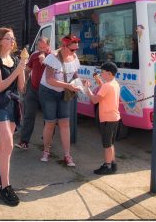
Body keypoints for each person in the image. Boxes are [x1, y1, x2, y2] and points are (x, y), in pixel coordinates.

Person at [0, 27, 26, 206]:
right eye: (8, 38)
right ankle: (5, 187)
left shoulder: (15, 59)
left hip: (13, 103)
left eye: (13, 38)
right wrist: (17, 71)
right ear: (0, 41)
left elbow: (22, 87)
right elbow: (0, 86)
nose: (12, 41)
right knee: (8, 144)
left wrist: (22, 68)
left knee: (3, 142)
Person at [39, 34, 81, 167]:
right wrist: (68, 86)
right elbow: (50, 79)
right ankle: (46, 151)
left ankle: (67, 155)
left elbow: (73, 74)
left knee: (64, 123)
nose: (75, 52)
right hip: (48, 92)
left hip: (63, 92)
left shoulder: (74, 57)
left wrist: (81, 82)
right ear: (64, 46)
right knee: (50, 123)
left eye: (76, 49)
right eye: (73, 49)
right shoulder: (53, 58)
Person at [83, 62, 120, 175]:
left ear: (108, 73)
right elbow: (104, 89)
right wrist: (99, 81)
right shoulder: (114, 83)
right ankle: (112, 163)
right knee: (111, 143)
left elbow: (94, 100)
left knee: (106, 144)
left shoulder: (106, 86)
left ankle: (108, 166)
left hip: (107, 119)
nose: (101, 74)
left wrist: (87, 89)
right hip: (114, 117)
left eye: (102, 72)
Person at [15, 37, 51, 150]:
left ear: (48, 46)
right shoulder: (34, 55)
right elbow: (28, 70)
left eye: (43, 47)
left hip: (47, 91)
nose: (41, 50)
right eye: (39, 47)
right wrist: (25, 83)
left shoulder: (53, 56)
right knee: (28, 115)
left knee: (49, 117)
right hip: (33, 89)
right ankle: (24, 141)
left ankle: (47, 140)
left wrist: (44, 60)